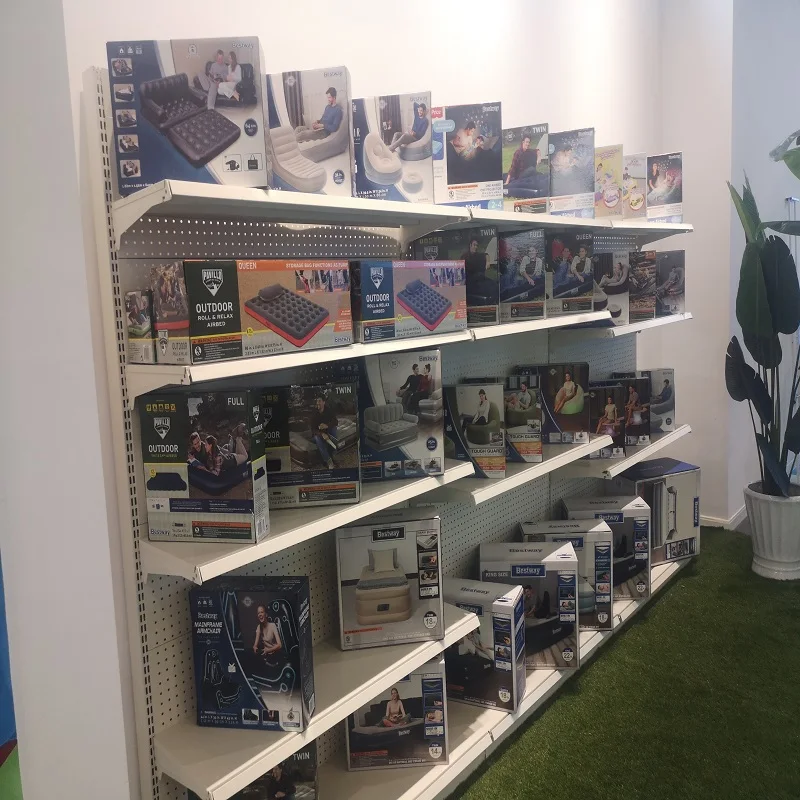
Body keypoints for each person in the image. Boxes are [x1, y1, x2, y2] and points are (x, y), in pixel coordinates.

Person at [309, 394, 338, 469]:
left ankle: (333, 453)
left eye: (319, 401)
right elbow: (313, 430)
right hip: (317, 434)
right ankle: (329, 461)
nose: (317, 403)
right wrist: (321, 434)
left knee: (334, 428)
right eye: (317, 401)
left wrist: (327, 425)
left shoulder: (328, 410)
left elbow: (336, 421)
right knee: (318, 439)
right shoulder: (314, 413)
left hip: (327, 432)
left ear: (324, 402)